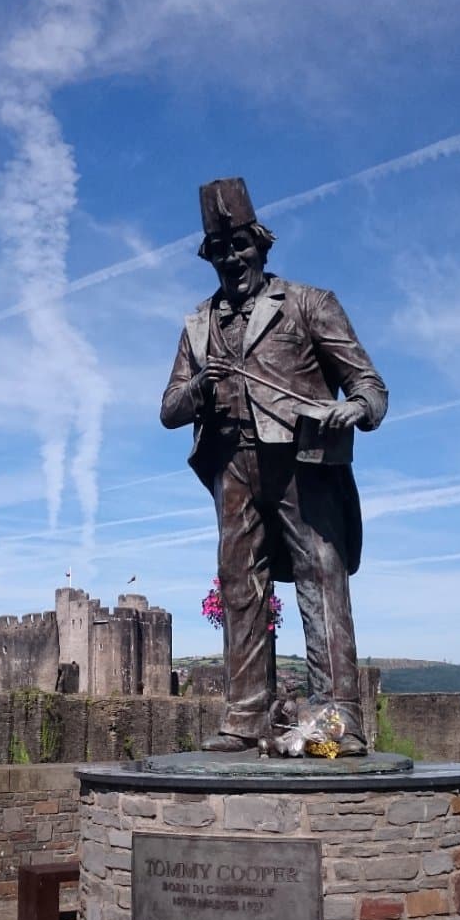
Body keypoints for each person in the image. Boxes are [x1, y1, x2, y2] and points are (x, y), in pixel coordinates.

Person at [161, 177, 387, 751]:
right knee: (240, 585)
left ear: (261, 245)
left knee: (321, 575)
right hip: (231, 466)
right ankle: (245, 716)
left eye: (240, 246)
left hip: (301, 461)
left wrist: (354, 409)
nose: (231, 258)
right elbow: (169, 409)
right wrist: (200, 390)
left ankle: (339, 717)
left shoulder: (310, 303)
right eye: (219, 251)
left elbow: (368, 384)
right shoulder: (197, 324)